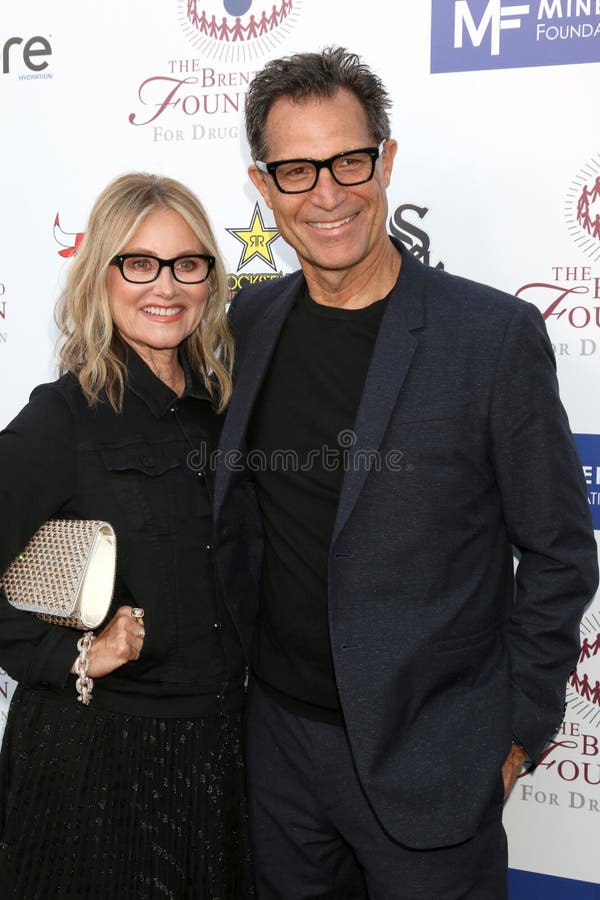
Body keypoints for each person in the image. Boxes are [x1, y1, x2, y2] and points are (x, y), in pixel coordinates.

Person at [212, 46, 599, 899]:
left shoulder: (490, 338)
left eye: (349, 160)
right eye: (296, 169)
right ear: (262, 183)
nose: (327, 192)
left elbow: (562, 552)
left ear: (386, 160)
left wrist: (513, 736)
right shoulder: (251, 317)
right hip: (279, 750)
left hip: (436, 762)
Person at [0, 173, 254, 898]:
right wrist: (70, 652)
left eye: (187, 263)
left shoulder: (226, 410)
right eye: (138, 263)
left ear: (210, 275)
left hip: (220, 749)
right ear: (101, 274)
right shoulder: (64, 417)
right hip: (98, 760)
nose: (165, 286)